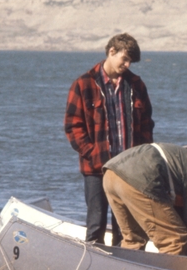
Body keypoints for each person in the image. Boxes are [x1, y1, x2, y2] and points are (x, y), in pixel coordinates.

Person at [64, 33, 154, 246]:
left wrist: (142, 158)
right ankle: (93, 266)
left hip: (129, 169)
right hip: (96, 168)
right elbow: (72, 125)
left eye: (130, 61)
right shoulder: (84, 84)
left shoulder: (136, 85)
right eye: (125, 59)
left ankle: (123, 268)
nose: (127, 64)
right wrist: (91, 153)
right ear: (111, 51)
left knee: (127, 227)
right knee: (96, 224)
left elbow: (147, 125)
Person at [102, 143, 187, 257]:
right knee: (175, 241)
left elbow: (180, 215)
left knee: (134, 239)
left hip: (112, 174)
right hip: (138, 178)